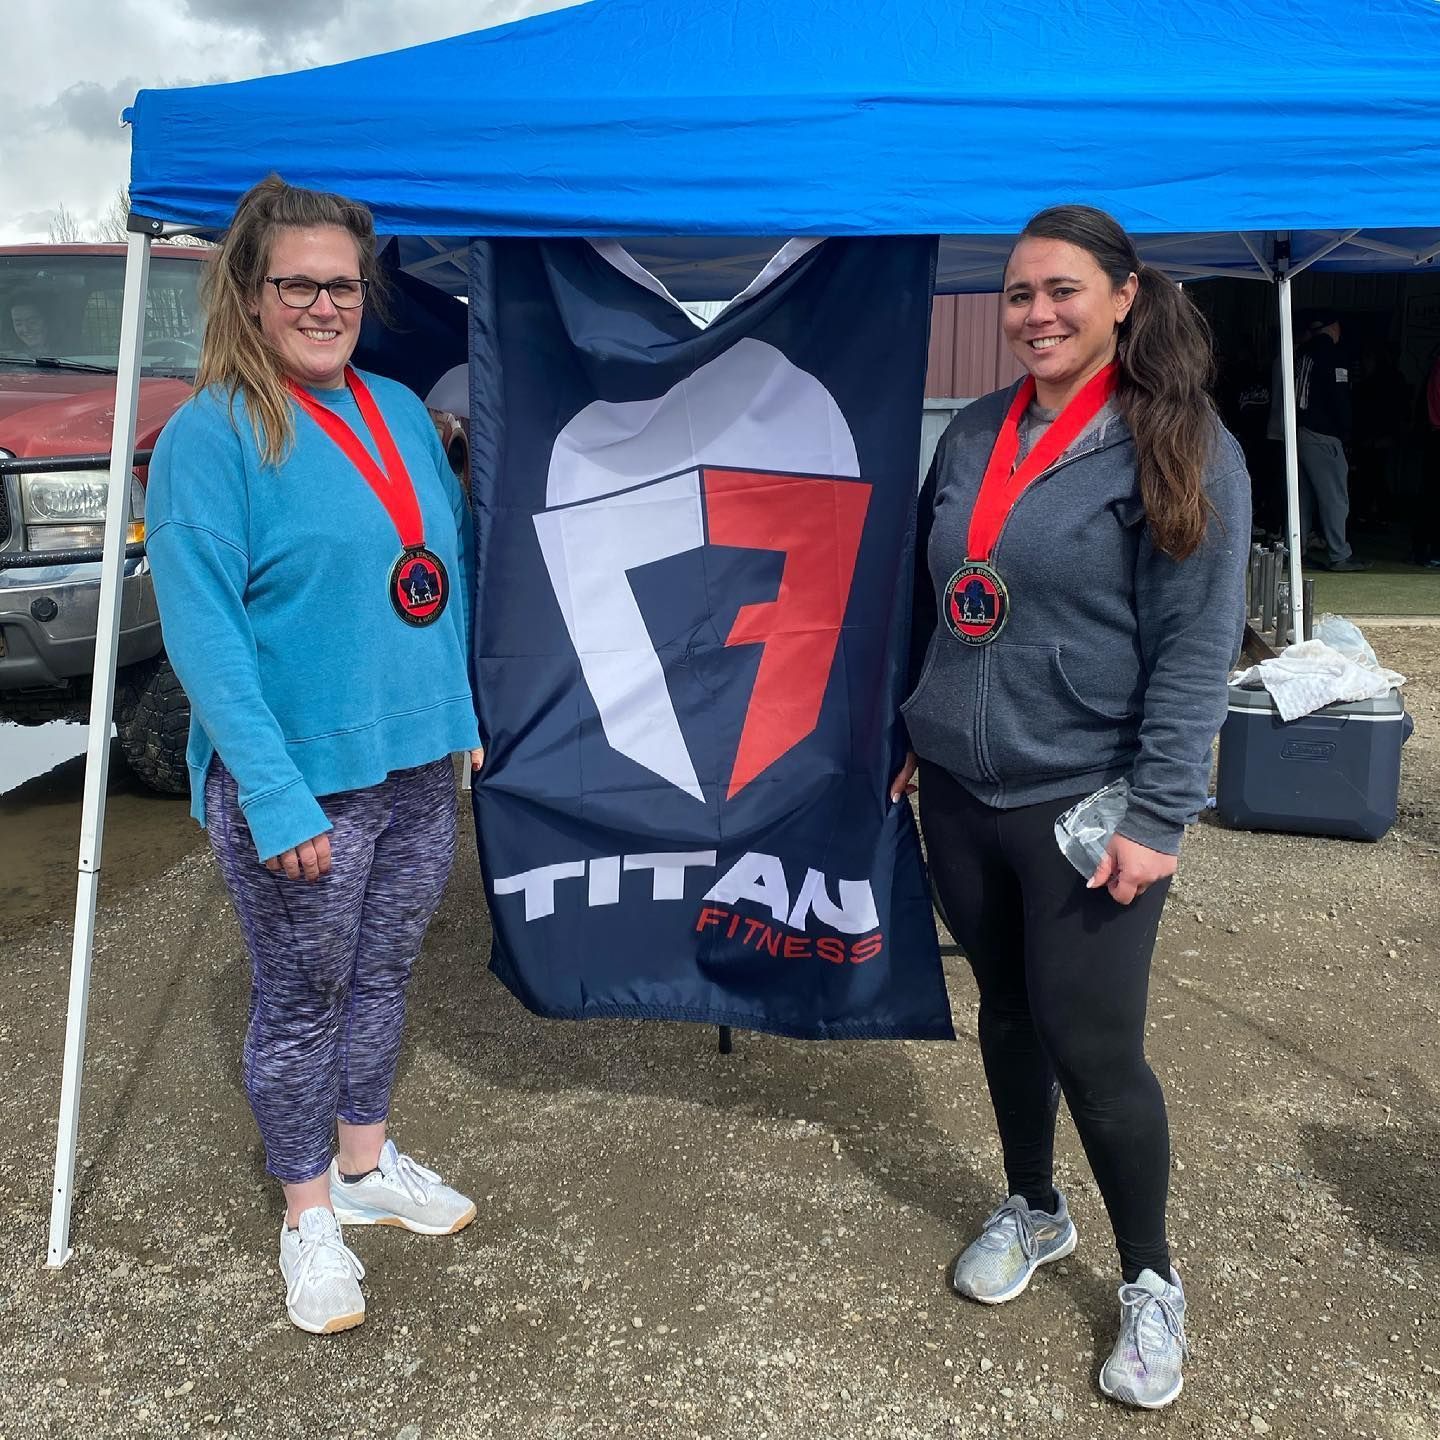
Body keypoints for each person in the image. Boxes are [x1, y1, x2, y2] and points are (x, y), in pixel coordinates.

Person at [894, 205, 1249, 1410]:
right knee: (1006, 1014)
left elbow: (1195, 649)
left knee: (1095, 1049)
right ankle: (1034, 1206)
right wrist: (911, 723)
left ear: (1124, 297)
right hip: (959, 788)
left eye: (1061, 292)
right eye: (1017, 295)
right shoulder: (979, 430)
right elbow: (928, 588)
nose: (1036, 315)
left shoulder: (1178, 441)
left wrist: (1160, 814)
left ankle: (1150, 1276)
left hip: (1083, 801)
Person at [146, 176, 484, 1336]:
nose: (326, 305)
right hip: (299, 783)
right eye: (300, 284)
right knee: (301, 1000)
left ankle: (362, 1162)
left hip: (414, 764)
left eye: (344, 285)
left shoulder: (395, 408)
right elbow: (205, 636)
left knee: (384, 977)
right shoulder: (209, 436)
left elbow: (435, 573)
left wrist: (460, 711)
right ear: (250, 293)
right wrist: (278, 799)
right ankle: (306, 1217)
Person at [1294, 310, 1368, 570]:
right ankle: (1340, 554)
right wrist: (1347, 433)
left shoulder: (1303, 353)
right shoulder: (1334, 355)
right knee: (1335, 497)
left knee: (1301, 498)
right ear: (1335, 327)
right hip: (1324, 434)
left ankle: (1297, 551)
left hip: (1299, 431)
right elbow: (1339, 398)